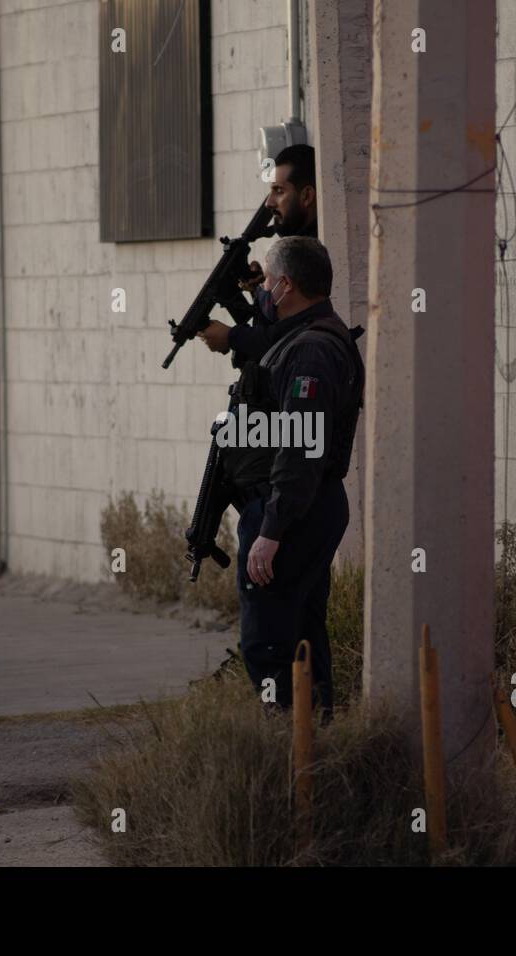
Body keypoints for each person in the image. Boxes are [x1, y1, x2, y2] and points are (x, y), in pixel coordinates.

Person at [213, 236, 364, 718]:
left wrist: (271, 530)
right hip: (302, 505)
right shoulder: (303, 337)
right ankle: (315, 743)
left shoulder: (312, 352)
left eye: (268, 286)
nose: (263, 296)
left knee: (269, 642)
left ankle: (288, 744)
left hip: (295, 510)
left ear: (286, 285)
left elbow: (301, 448)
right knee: (301, 632)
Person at [197, 144, 318, 361]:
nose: (270, 203)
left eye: (279, 191)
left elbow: (293, 339)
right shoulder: (299, 250)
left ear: (307, 196)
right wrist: (260, 292)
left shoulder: (316, 255)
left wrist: (233, 337)